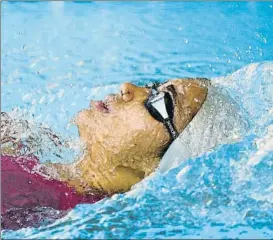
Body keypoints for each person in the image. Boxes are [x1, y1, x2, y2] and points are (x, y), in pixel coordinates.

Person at [1, 78, 248, 229]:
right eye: (153, 87)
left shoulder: (46, 208)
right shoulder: (30, 150)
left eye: (159, 103)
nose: (128, 88)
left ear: (156, 170)